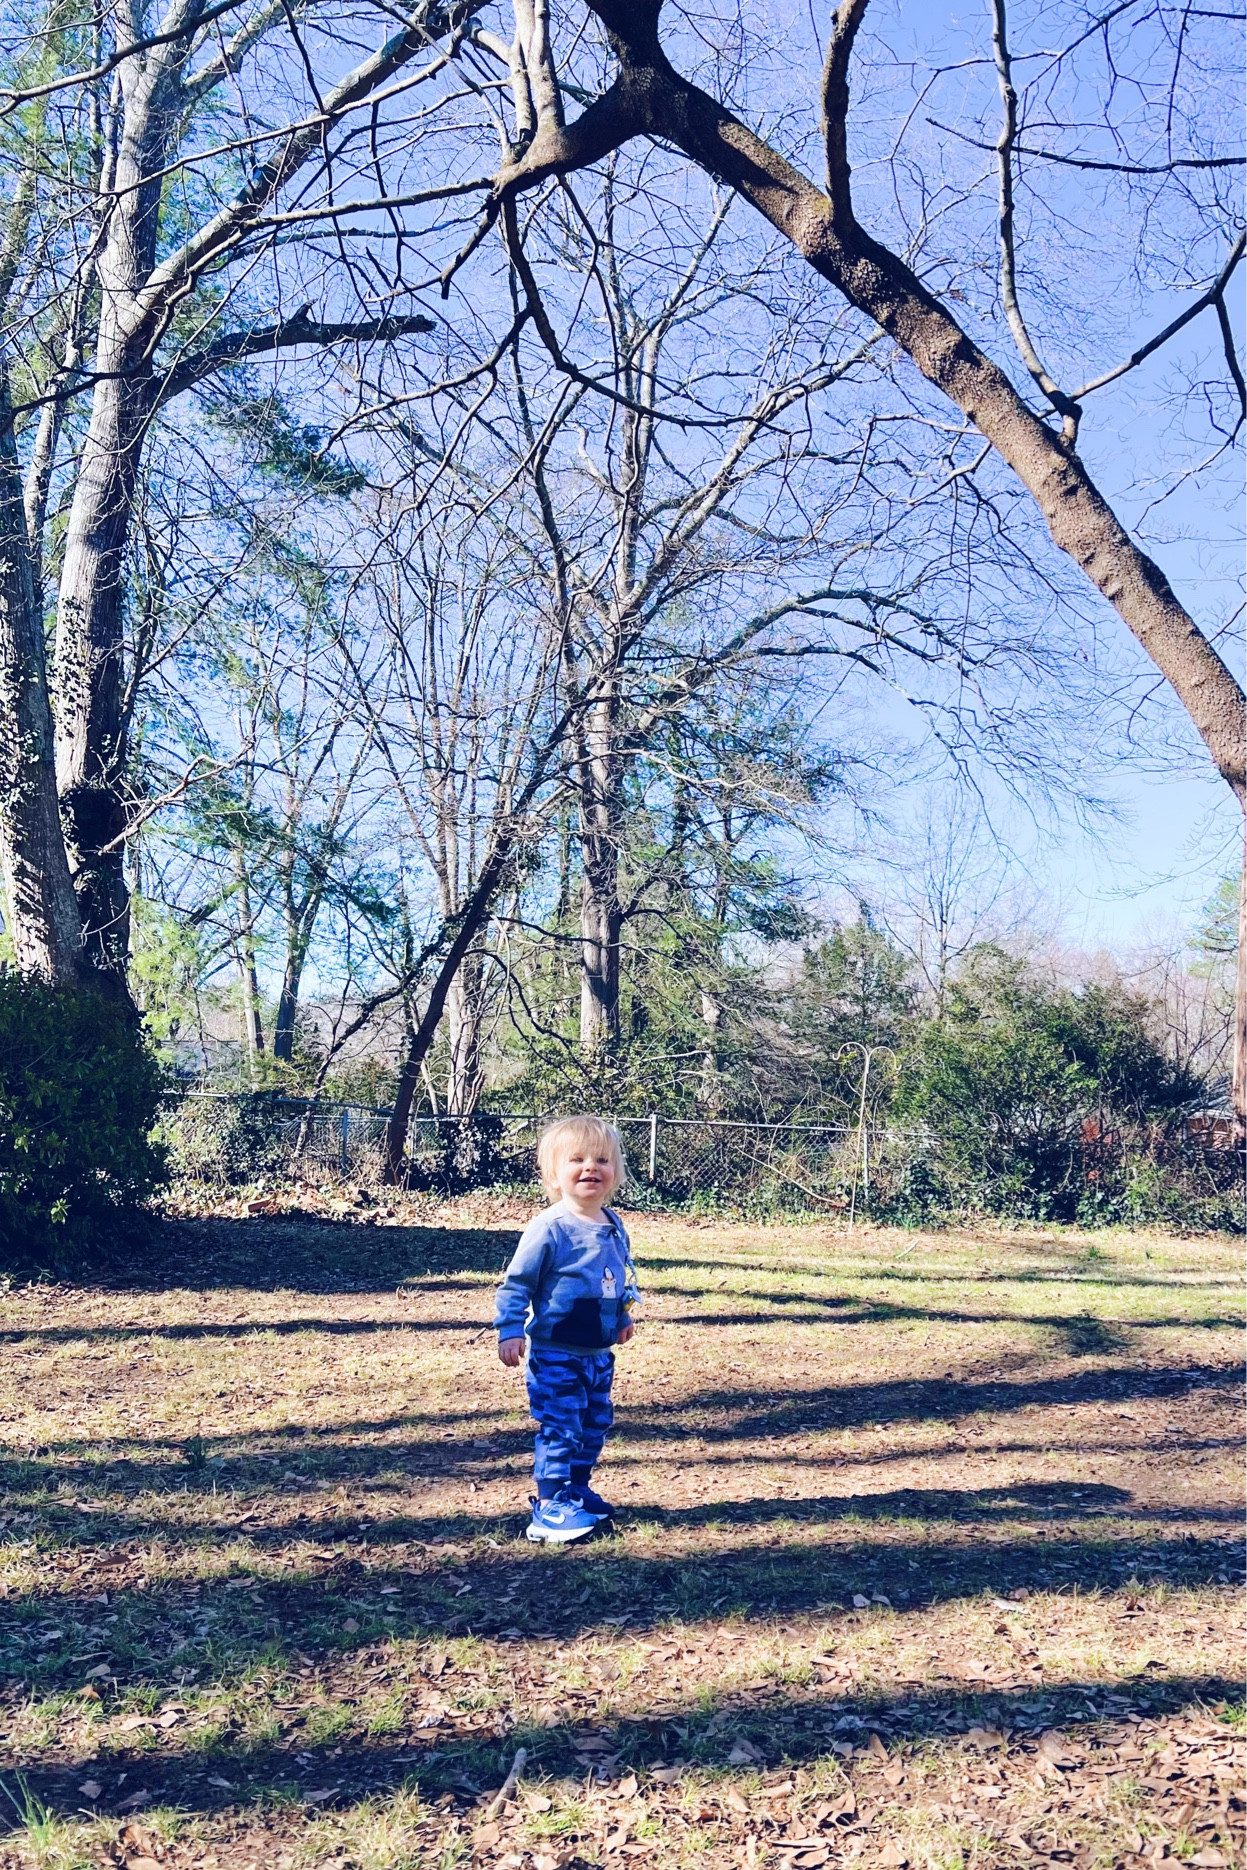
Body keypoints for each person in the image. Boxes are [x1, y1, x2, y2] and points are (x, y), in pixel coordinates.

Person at [494, 1115, 639, 1544]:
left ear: (616, 1172)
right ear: (554, 1175)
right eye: (577, 1159)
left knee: (594, 1424)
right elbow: (517, 1284)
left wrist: (621, 1316)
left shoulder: (612, 1224)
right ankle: (549, 1504)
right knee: (561, 1427)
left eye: (602, 1160)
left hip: (598, 1354)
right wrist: (510, 1328)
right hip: (556, 1352)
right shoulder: (550, 1228)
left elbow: (615, 1281)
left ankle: (576, 1488)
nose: (591, 1167)